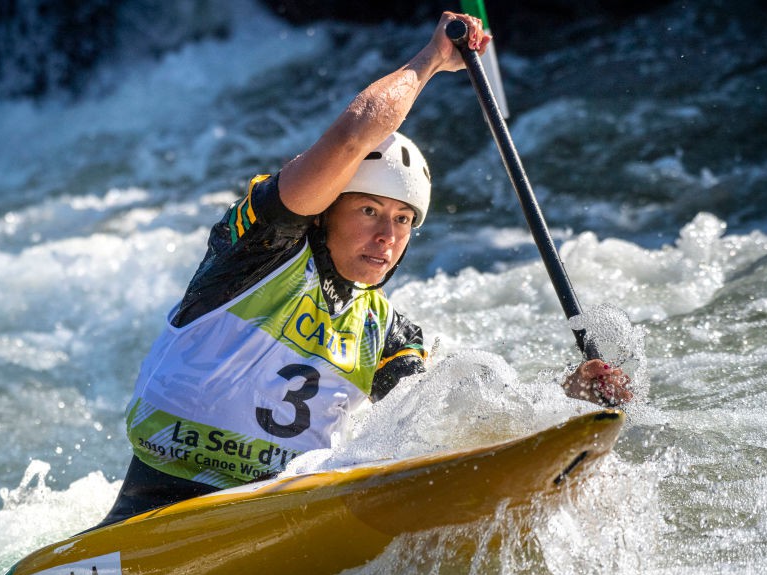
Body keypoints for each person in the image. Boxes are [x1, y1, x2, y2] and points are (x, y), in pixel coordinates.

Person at [97, 11, 632, 527]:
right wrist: (428, 62)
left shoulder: (386, 333)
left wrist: (565, 405)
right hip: (154, 509)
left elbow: (441, 436)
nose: (387, 236)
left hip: (273, 518)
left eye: (403, 219)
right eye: (370, 211)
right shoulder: (258, 250)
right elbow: (353, 136)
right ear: (328, 208)